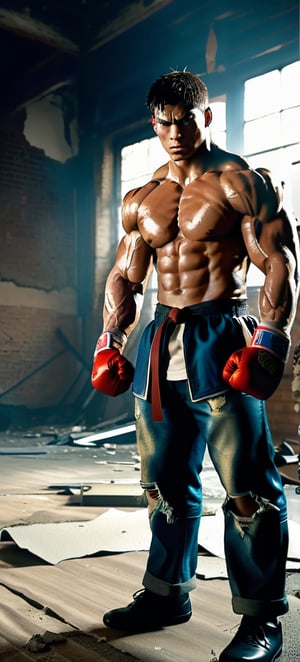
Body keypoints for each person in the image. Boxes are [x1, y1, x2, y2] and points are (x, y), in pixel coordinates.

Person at [91, 70, 299, 661]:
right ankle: (165, 595)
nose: (175, 131)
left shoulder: (240, 182)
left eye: (186, 119)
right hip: (162, 341)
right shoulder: (144, 197)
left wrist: (270, 338)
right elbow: (125, 276)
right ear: (152, 124)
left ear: (206, 117)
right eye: (163, 122)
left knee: (249, 492)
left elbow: (279, 260)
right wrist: (111, 340)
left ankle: (261, 622)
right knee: (163, 486)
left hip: (220, 334)